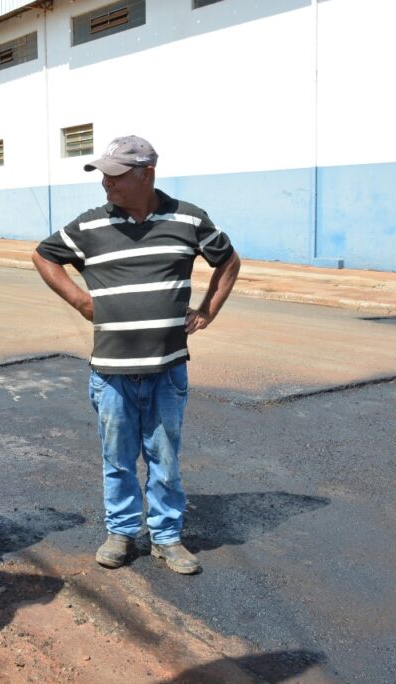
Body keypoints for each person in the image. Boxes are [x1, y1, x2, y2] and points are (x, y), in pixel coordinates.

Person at [32, 135, 240, 575]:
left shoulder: (188, 218)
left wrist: (208, 311)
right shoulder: (90, 226)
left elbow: (228, 261)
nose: (106, 184)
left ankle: (166, 537)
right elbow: (44, 256)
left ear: (147, 174)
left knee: (164, 458)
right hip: (112, 372)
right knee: (118, 458)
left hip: (166, 369)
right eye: (103, 175)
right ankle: (121, 532)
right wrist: (82, 302)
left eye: (115, 176)